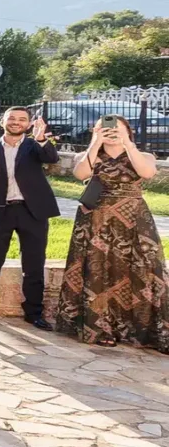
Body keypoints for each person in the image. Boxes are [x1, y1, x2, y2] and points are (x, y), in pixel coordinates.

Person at [56, 117, 168, 351]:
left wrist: (127, 144)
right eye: (105, 128)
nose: (112, 132)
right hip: (97, 218)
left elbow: (146, 173)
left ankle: (143, 329)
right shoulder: (91, 155)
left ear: (128, 131)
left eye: (118, 129)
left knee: (145, 269)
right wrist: (95, 143)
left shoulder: (143, 155)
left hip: (134, 219)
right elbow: (80, 174)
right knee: (99, 270)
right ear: (96, 131)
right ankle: (100, 327)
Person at [0, 106, 59, 328]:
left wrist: (41, 138)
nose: (16, 122)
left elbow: (51, 158)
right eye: (11, 118)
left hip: (32, 211)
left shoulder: (35, 146)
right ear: (2, 121)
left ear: (29, 124)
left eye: (22, 119)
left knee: (34, 262)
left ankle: (34, 311)